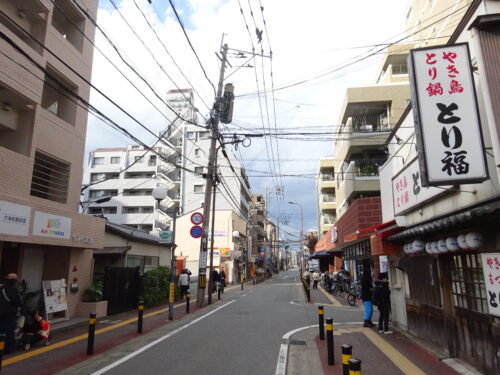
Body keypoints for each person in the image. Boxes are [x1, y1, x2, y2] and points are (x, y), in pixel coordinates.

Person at [0, 273, 22, 353]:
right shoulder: (14, 290)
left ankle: (1, 347)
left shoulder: (1, 288)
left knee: (1, 330)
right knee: (9, 330)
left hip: (1, 312)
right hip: (9, 313)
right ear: (14, 281)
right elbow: (17, 302)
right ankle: (8, 348)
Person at [361, 259, 375, 328]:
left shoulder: (364, 276)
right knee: (369, 309)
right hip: (367, 295)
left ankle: (368, 321)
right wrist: (372, 289)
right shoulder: (366, 277)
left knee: (369, 309)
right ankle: (366, 321)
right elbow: (368, 287)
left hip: (366, 295)